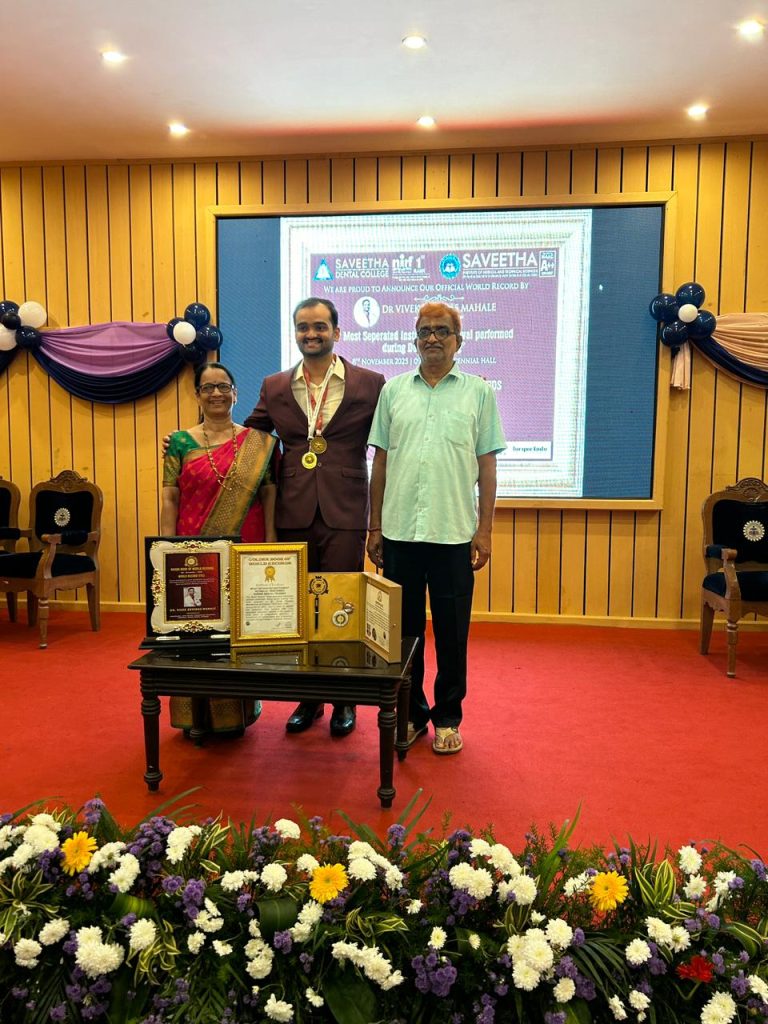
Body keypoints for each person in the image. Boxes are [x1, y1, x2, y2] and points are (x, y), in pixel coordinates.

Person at [367, 302, 505, 755]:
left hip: (453, 536)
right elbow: (380, 463)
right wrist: (374, 527)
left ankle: (448, 718)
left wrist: (484, 531)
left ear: (458, 341)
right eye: (424, 330)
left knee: (451, 635)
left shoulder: (479, 393)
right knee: (403, 637)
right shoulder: (393, 391)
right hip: (399, 534)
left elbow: (487, 467)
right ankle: (411, 715)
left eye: (442, 331)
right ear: (414, 339)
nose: (432, 338)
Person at [245, 297, 385, 738]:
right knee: (302, 607)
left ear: (336, 332)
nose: (311, 334)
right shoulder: (275, 386)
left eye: (320, 326)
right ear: (295, 333)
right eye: (303, 327)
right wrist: (194, 440)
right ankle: (308, 698)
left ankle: (344, 699)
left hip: (346, 508)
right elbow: (248, 436)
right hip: (293, 509)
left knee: (342, 604)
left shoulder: (371, 384)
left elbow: (394, 435)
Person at [161, 361, 277, 735]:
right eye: (208, 387)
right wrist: (166, 550)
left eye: (223, 386)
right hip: (192, 549)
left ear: (235, 394)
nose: (216, 393)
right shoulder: (179, 442)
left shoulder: (257, 443)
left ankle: (235, 713)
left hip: (245, 546)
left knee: (236, 633)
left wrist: (270, 544)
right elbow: (170, 498)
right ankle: (193, 715)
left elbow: (269, 495)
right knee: (195, 630)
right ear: (197, 394)